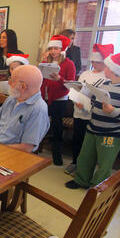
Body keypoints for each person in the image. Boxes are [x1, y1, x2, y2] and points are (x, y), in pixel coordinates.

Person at [0, 65, 50, 226]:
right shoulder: (13, 98)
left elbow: (27, 147)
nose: (8, 83)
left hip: (12, 157)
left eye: (11, 80)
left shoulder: (38, 109)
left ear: (23, 86)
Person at [65, 51, 120, 189]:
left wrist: (113, 111)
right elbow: (94, 105)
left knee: (104, 163)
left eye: (106, 67)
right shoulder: (103, 84)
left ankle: (97, 187)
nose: (103, 69)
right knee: (85, 157)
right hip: (92, 129)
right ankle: (81, 180)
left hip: (111, 134)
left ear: (115, 70)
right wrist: (84, 106)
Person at [64, 44, 114, 176]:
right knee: (77, 139)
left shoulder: (107, 77)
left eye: (98, 62)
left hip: (93, 114)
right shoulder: (86, 73)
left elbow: (103, 97)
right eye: (93, 61)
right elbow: (78, 88)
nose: (94, 64)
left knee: (88, 143)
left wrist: (88, 104)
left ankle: (83, 167)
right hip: (78, 110)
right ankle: (75, 162)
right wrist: (76, 99)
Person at [41, 35, 76, 166]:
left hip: (59, 99)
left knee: (57, 127)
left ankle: (57, 155)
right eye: (51, 49)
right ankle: (36, 148)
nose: (53, 51)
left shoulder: (69, 64)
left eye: (56, 48)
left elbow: (70, 83)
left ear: (61, 49)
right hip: (44, 97)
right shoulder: (45, 62)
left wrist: (59, 79)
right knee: (41, 122)